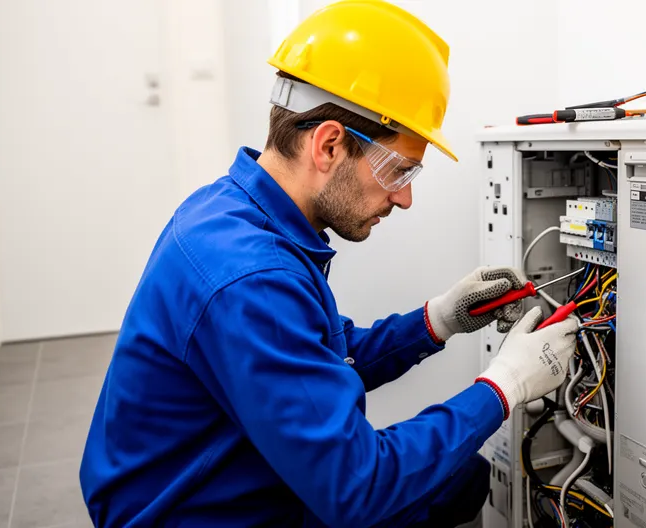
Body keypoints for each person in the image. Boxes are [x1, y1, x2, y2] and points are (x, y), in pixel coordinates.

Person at [78, 1, 578, 526]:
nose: (404, 199)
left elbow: (319, 358)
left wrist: (438, 320)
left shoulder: (236, 212)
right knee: (421, 485)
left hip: (214, 472)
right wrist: (505, 386)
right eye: (398, 171)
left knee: (461, 481)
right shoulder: (252, 278)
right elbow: (357, 489)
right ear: (330, 144)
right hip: (193, 512)